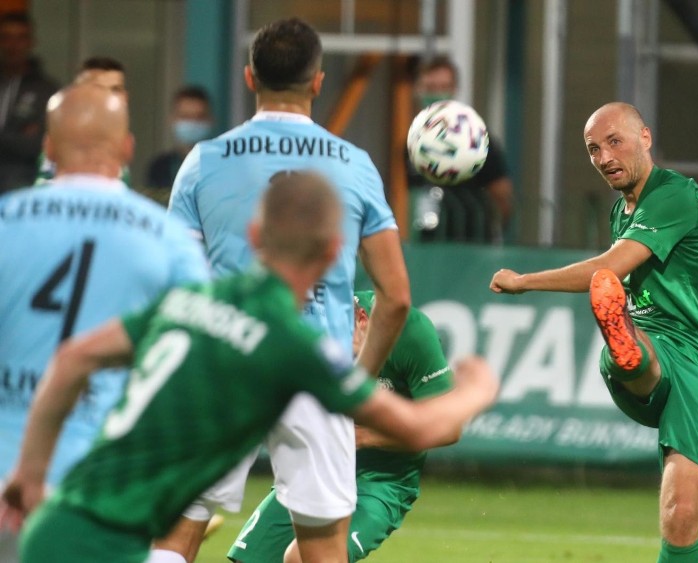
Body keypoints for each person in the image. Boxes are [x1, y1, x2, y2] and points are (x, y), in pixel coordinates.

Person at [0, 171, 498, 563]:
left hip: (57, 523)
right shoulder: (293, 345)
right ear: (331, 255)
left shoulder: (193, 299)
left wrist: (29, 474)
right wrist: (477, 386)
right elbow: (417, 424)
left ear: (255, 235)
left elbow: (72, 359)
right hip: (113, 547)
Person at [159, 17, 411, 563]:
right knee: (322, 550)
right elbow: (395, 297)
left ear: (250, 77)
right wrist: (356, 381)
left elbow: (171, 282)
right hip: (315, 370)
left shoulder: (201, 163)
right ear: (318, 81)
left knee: (177, 536)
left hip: (224, 364)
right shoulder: (357, 167)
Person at [490, 102, 698, 563]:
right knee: (631, 347)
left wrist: (525, 281)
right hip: (654, 345)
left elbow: (608, 268)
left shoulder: (675, 194)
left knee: (681, 513)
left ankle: (624, 343)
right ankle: (626, 347)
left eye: (613, 142)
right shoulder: (622, 211)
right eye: (592, 150)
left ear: (645, 136)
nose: (603, 157)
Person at [0, 83, 210, 561]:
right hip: (103, 493)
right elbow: (195, 371)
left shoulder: (5, 222)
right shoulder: (169, 240)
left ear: (48, 148)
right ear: (127, 147)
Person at [228, 290, 456, 563]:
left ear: (362, 319)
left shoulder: (410, 332)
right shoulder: (311, 327)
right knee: (249, 560)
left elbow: (448, 427)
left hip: (381, 483)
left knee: (303, 559)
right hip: (315, 468)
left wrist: (362, 437)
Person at [409, 55, 513, 244]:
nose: (437, 94)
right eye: (431, 88)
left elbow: (502, 196)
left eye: (444, 87)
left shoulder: (476, 138)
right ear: (418, 90)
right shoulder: (414, 141)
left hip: (470, 244)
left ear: (454, 90)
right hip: (427, 245)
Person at [35, 56, 131, 185]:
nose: (108, 97)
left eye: (115, 90)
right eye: (99, 89)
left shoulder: (120, 140)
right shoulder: (61, 145)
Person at [0, 11, 59, 194]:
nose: (13, 46)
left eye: (20, 38)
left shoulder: (48, 91)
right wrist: (17, 134)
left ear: (31, 42)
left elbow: (39, 145)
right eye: (6, 38)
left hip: (25, 189)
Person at [146, 85, 214, 191]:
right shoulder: (160, 168)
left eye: (199, 117)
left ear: (210, 120)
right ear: (172, 119)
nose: (193, 123)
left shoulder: (221, 164)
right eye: (186, 117)